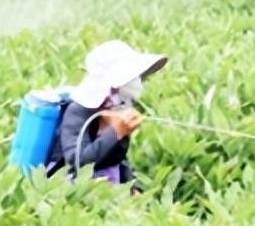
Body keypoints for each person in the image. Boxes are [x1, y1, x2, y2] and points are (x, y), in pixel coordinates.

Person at [48, 40, 168, 192]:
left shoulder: (117, 110)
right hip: (70, 185)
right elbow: (77, 161)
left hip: (108, 182)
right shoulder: (78, 111)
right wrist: (115, 133)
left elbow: (119, 159)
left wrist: (132, 186)